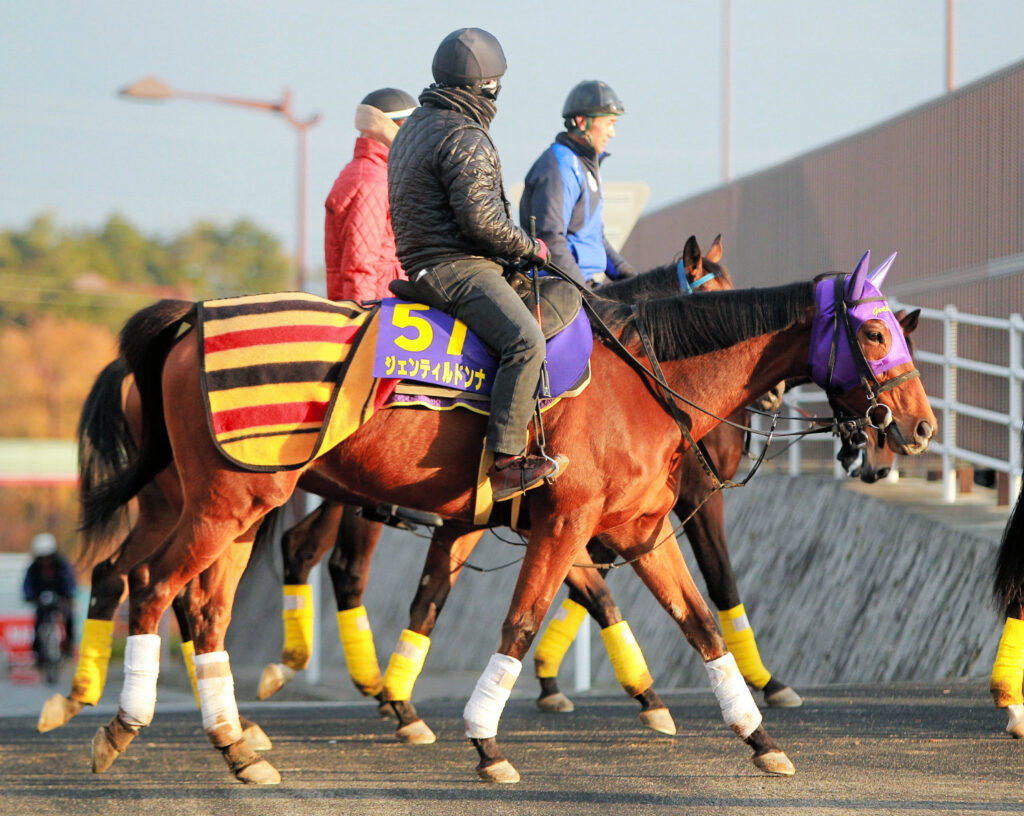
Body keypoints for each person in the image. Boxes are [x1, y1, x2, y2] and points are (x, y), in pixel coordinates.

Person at [388, 27, 564, 502]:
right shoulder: (465, 135)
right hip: (459, 267)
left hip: (422, 264)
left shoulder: (415, 126)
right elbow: (482, 222)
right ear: (488, 85)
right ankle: (506, 461)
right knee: (526, 341)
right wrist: (531, 247)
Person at [520, 80, 636, 288]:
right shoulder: (560, 165)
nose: (612, 132)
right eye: (609, 123)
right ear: (582, 122)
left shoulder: (586, 166)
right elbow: (550, 239)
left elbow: (595, 238)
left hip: (583, 285)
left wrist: (633, 280)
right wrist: (589, 298)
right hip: (558, 286)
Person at [324, 86, 417, 303]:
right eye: (410, 125)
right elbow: (359, 266)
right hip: (380, 307)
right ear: (392, 126)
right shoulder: (370, 181)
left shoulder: (372, 173)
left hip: (386, 304)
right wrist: (362, 317)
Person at [22, 532, 77, 660]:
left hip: (60, 599)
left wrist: (68, 595)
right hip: (41, 601)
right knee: (38, 622)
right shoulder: (33, 568)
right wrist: (29, 596)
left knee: (68, 618)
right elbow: (27, 585)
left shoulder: (62, 566)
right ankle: (38, 653)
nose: (45, 560)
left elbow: (69, 582)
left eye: (48, 557)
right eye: (42, 557)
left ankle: (68, 648)